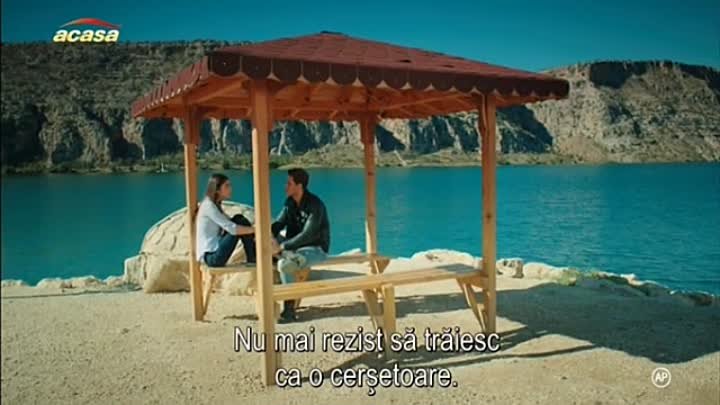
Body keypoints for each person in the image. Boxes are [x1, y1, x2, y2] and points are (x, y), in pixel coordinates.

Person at [271, 168, 331, 323]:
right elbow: (278, 224)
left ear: (299, 186)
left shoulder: (315, 205)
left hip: (315, 249)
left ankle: (289, 311)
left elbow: (307, 235)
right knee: (273, 253)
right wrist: (267, 236)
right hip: (294, 248)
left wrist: (281, 247)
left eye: (289, 183)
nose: (285, 186)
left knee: (285, 265)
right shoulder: (289, 203)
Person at [196, 174, 256, 267]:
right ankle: (253, 258)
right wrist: (255, 230)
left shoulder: (214, 205)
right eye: (227, 186)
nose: (230, 188)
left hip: (214, 253)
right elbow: (232, 229)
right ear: (217, 189)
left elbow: (229, 222)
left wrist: (251, 230)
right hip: (211, 257)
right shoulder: (208, 206)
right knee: (239, 221)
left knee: (238, 218)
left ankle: (253, 258)